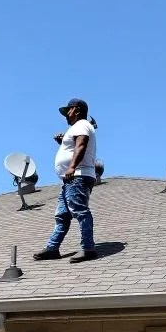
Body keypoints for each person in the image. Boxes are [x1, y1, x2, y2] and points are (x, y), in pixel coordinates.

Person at [33, 98, 98, 263]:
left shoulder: (81, 125)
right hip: (71, 179)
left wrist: (71, 167)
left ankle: (88, 248)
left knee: (80, 211)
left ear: (76, 110)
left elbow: (81, 145)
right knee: (62, 215)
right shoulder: (77, 127)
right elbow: (75, 146)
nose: (65, 115)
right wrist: (63, 142)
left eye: (67, 110)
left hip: (77, 176)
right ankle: (53, 248)